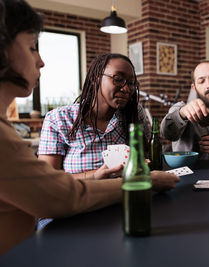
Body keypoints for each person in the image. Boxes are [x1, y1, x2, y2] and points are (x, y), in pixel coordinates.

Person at [0, 0, 178, 255]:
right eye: (31, 47)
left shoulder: (133, 115)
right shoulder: (54, 120)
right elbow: (58, 196)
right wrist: (143, 181)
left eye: (130, 82)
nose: (41, 62)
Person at [38, 53, 152, 179]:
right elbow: (47, 179)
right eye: (118, 79)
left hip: (127, 194)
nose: (126, 89)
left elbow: (147, 156)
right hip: (79, 198)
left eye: (131, 83)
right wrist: (95, 176)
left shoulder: (134, 113)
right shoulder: (58, 119)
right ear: (95, 78)